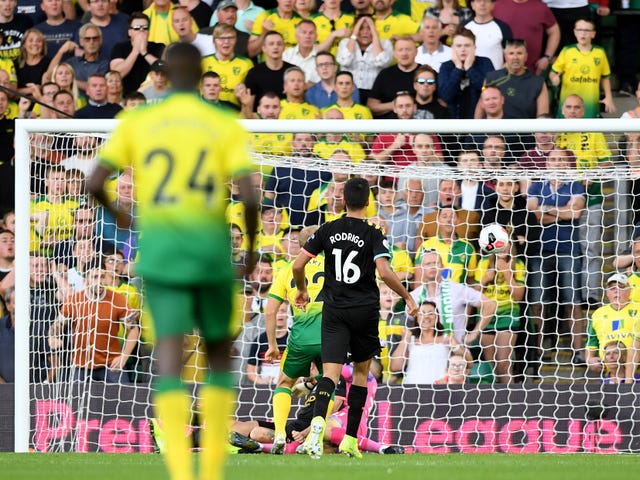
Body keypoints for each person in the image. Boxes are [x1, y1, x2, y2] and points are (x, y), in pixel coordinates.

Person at [86, 42, 258, 480]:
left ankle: (181, 471)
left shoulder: (138, 122)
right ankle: (213, 468)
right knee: (219, 350)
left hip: (160, 250)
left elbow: (95, 181)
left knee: (168, 350)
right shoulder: (221, 122)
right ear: (202, 75)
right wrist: (252, 248)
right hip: (209, 248)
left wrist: (121, 215)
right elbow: (250, 192)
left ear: (162, 74)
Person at [292, 177, 418, 459]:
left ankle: (316, 428)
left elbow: (298, 263)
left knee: (329, 375)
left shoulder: (327, 229)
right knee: (361, 375)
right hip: (364, 310)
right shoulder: (373, 232)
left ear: (343, 200)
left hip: (334, 309)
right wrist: (408, 297)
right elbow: (384, 272)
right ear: (369, 201)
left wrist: (301, 289)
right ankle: (350, 439)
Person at [263, 225, 323, 453]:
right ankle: (311, 439)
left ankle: (279, 433)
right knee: (331, 387)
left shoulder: (288, 270)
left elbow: (270, 311)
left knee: (284, 384)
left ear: (299, 245)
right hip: (329, 336)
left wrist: (271, 345)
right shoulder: (334, 266)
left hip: (299, 337)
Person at [526, 148, 586, 364]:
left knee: (572, 301)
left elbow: (576, 212)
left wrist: (547, 209)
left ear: (568, 163)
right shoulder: (536, 185)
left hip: (569, 249)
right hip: (539, 250)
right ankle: (542, 349)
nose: (557, 162)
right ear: (547, 162)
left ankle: (578, 352)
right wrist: (563, 211)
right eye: (553, 159)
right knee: (538, 302)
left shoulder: (575, 185)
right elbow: (534, 215)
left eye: (562, 159)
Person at [556, 94, 612, 305]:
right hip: (562, 202)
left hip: (591, 198)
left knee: (590, 248)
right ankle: (566, 297)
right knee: (568, 249)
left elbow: (607, 162)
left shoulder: (593, 131)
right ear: (562, 111)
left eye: (576, 108)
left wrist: (592, 173)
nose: (572, 111)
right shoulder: (557, 134)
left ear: (582, 111)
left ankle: (591, 295)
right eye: (568, 107)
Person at [48, 265, 140, 383]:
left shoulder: (118, 299)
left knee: (125, 396)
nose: (99, 281)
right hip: (81, 365)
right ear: (85, 281)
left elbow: (133, 329)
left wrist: (124, 356)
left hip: (111, 363)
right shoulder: (74, 300)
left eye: (102, 277)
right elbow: (58, 325)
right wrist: (53, 335)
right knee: (74, 399)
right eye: (95, 277)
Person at [408, 249, 497, 345]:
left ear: (442, 267)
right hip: (425, 351)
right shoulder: (414, 296)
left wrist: (474, 333)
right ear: (421, 269)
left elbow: (490, 305)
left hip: (455, 353)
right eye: (428, 264)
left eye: (435, 263)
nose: (432, 267)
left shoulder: (457, 289)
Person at [390, 300, 470, 383]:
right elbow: (395, 367)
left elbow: (469, 364)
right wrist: (405, 340)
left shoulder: (447, 338)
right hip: (413, 389)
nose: (426, 316)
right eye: (422, 313)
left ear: (436, 317)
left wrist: (455, 347)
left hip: (440, 389)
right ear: (417, 318)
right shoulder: (410, 339)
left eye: (430, 313)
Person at [550, 18, 614, 118]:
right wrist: (554, 78)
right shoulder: (567, 51)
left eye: (587, 30)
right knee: (566, 130)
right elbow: (554, 72)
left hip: (590, 102)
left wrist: (608, 97)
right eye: (579, 30)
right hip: (569, 103)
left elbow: (605, 77)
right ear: (575, 32)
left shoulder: (600, 52)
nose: (583, 33)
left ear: (593, 34)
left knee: (589, 130)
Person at [586, 274, 640, 379]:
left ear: (629, 291)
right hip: (609, 375)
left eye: (621, 287)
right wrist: (590, 359)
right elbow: (591, 344)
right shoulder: (598, 314)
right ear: (607, 293)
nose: (616, 291)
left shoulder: (638, 309)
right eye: (612, 288)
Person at [483, 39, 549, 119]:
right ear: (505, 57)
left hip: (526, 130)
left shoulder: (538, 82)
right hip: (496, 130)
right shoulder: (492, 78)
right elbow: (481, 106)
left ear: (526, 56)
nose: (515, 57)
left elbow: (543, 117)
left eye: (519, 53)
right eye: (511, 53)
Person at [336, 14, 393, 105]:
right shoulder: (346, 43)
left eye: (369, 28)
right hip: (350, 92)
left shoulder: (385, 43)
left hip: (375, 94)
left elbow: (382, 62)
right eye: (361, 28)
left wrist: (374, 34)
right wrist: (354, 34)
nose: (365, 32)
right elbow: (345, 61)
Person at [438, 28, 494, 119]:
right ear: (452, 48)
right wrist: (458, 69)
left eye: (467, 45)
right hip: (453, 124)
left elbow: (488, 91)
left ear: (474, 48)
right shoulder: (446, 67)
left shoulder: (485, 63)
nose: (463, 49)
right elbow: (445, 96)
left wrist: (469, 69)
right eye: (459, 46)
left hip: (480, 123)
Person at [493, 0, 560, 75]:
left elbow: (554, 32)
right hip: (501, 70)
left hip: (531, 72)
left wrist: (547, 57)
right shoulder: (496, 6)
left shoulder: (540, 7)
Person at [44, 23, 110, 94]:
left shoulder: (105, 63)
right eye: (87, 39)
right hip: (70, 102)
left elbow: (95, 87)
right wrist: (61, 52)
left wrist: (70, 80)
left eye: (95, 39)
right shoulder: (73, 61)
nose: (91, 42)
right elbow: (49, 76)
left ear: (100, 40)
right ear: (81, 42)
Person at [109, 12, 165, 94]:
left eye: (145, 28)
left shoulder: (159, 47)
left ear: (148, 32)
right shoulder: (120, 48)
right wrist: (135, 51)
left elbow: (165, 69)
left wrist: (145, 53)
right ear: (129, 32)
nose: (141, 30)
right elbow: (116, 75)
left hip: (154, 98)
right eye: (136, 28)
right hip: (128, 98)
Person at [201, 23, 253, 108]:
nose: (226, 42)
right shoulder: (203, 62)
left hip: (233, 114)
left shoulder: (246, 64)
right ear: (214, 41)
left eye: (230, 38)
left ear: (235, 40)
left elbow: (249, 98)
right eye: (221, 38)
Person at [241, 31, 294, 111]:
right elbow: (248, 107)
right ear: (264, 48)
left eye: (279, 44)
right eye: (271, 44)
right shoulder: (254, 73)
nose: (275, 47)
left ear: (284, 47)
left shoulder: (293, 72)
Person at [367, 36, 418, 119]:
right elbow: (371, 106)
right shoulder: (385, 74)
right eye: (400, 50)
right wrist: (395, 105)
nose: (404, 53)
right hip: (389, 128)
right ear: (394, 53)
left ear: (416, 52)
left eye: (408, 49)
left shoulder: (425, 73)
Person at [282, 19, 320, 83]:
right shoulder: (286, 55)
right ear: (296, 36)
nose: (307, 36)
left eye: (311, 33)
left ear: (316, 37)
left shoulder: (321, 58)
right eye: (304, 32)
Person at [0, 287, 15, 383]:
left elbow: (53, 360)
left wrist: (44, 383)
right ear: (8, 306)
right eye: (17, 302)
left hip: (34, 390)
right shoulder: (0, 326)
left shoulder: (38, 327)